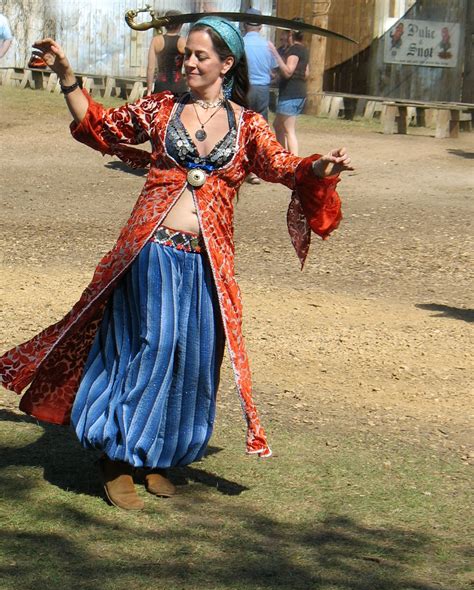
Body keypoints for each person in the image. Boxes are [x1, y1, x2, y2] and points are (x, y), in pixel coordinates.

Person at [0, 18, 353, 511]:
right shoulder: (162, 108)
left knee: (194, 357)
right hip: (152, 249)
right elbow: (100, 127)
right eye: (185, 55)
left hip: (208, 258)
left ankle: (158, 454)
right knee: (154, 343)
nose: (187, 62)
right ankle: (117, 456)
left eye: (200, 56)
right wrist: (66, 75)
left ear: (226, 65)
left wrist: (319, 167)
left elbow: (282, 167)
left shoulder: (248, 124)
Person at [242, 8, 276, 185]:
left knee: (243, 127)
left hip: (245, 88)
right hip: (262, 89)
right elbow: (273, 72)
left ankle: (243, 167)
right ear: (261, 26)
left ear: (244, 24)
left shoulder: (240, 43)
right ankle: (257, 169)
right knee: (260, 129)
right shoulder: (267, 45)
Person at [270, 23, 309, 156]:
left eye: (285, 34)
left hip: (290, 95)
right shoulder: (304, 50)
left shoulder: (294, 50)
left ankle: (294, 162)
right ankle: (283, 156)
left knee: (288, 130)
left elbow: (288, 72)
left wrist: (275, 54)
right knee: (278, 125)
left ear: (291, 34)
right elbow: (306, 73)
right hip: (299, 93)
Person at [146, 9, 186, 95]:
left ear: (164, 24)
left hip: (161, 85)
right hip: (179, 86)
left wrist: (149, 90)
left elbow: (150, 68)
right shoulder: (184, 42)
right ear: (180, 25)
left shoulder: (156, 40)